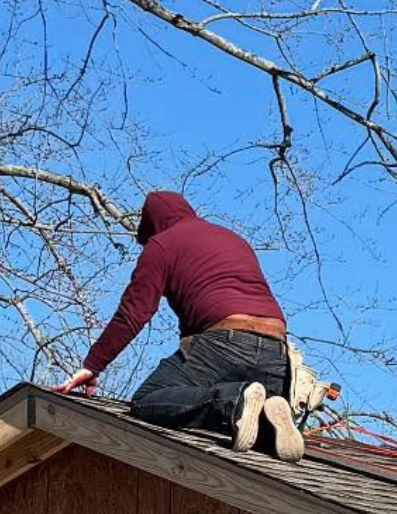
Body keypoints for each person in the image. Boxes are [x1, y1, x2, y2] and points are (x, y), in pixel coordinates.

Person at [54, 191, 300, 460]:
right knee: (236, 419)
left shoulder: (161, 245)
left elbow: (133, 313)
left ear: (153, 226)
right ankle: (268, 417)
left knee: (150, 399)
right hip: (277, 351)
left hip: (224, 344)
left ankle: (236, 401)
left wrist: (93, 364)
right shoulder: (234, 239)